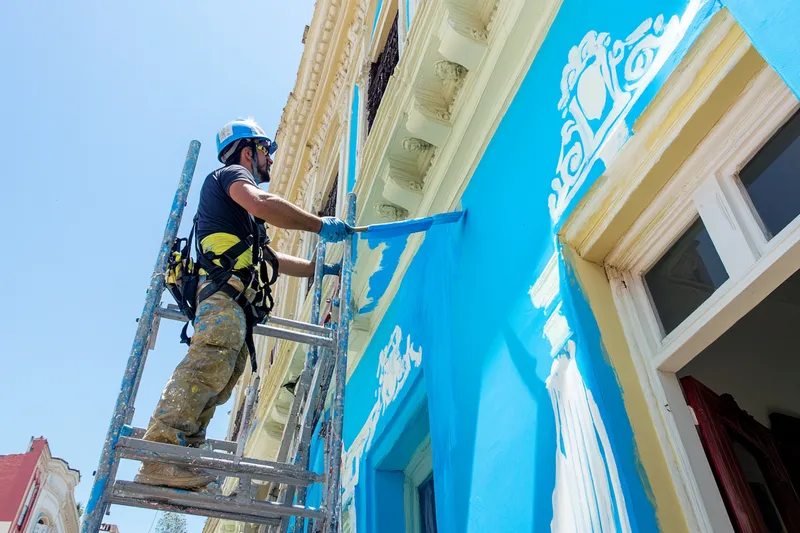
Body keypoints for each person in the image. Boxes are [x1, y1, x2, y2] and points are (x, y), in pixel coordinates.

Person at [135, 118, 351, 489]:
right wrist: (318, 224)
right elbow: (262, 201)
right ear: (250, 151)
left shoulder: (242, 221)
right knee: (210, 362)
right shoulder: (232, 175)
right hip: (221, 296)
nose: (269, 161)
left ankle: (183, 456)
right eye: (266, 152)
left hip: (233, 300)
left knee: (222, 376)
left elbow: (272, 259)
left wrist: (319, 268)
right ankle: (159, 451)